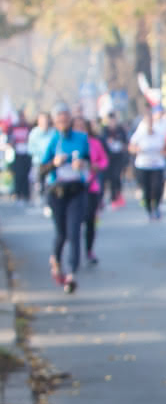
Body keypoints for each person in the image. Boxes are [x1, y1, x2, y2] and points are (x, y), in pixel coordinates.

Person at [37, 105, 94, 292]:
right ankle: (56, 258)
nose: (63, 123)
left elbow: (90, 162)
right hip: (57, 192)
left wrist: (82, 163)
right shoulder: (52, 140)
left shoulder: (82, 138)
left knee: (74, 231)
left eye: (66, 119)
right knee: (61, 233)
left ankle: (71, 273)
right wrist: (54, 163)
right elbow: (41, 170)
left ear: (70, 119)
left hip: (76, 190)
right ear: (55, 122)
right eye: (59, 120)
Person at [72, 116, 109, 266]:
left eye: (83, 127)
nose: (81, 130)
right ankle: (74, 253)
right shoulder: (69, 144)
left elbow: (104, 160)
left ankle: (89, 250)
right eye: (77, 127)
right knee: (74, 222)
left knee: (90, 220)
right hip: (73, 188)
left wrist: (97, 166)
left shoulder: (94, 143)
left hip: (92, 186)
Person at [129, 107, 166, 221]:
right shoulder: (140, 131)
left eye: (152, 121)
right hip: (143, 164)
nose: (150, 123)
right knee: (146, 189)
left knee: (157, 187)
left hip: (157, 164)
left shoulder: (160, 132)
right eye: (148, 121)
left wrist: (164, 152)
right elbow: (131, 147)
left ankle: (156, 206)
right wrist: (137, 150)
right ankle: (149, 210)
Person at [102, 113, 128, 207]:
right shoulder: (105, 130)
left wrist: (122, 145)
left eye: (114, 120)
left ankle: (118, 194)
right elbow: (102, 142)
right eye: (110, 121)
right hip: (109, 157)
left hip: (119, 157)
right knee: (110, 178)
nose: (112, 123)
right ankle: (113, 197)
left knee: (117, 176)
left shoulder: (120, 130)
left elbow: (126, 143)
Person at [7, 113, 33, 205]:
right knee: (18, 175)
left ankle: (26, 195)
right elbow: (9, 140)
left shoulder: (29, 127)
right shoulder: (13, 128)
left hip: (27, 154)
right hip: (17, 155)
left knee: (26, 175)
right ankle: (18, 194)